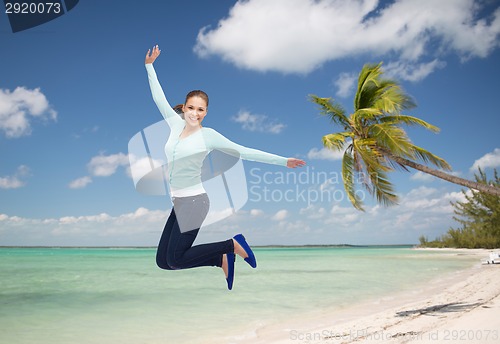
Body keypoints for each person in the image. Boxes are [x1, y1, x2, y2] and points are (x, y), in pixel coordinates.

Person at [145, 45, 305, 290]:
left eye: (200, 109)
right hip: (179, 203)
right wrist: (149, 67)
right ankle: (219, 259)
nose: (194, 113)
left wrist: (283, 161)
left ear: (205, 112)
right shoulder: (174, 126)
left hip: (195, 203)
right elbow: (159, 98)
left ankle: (231, 245)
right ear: (184, 108)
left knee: (176, 258)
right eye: (191, 108)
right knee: (163, 262)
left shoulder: (209, 136)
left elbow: (243, 151)